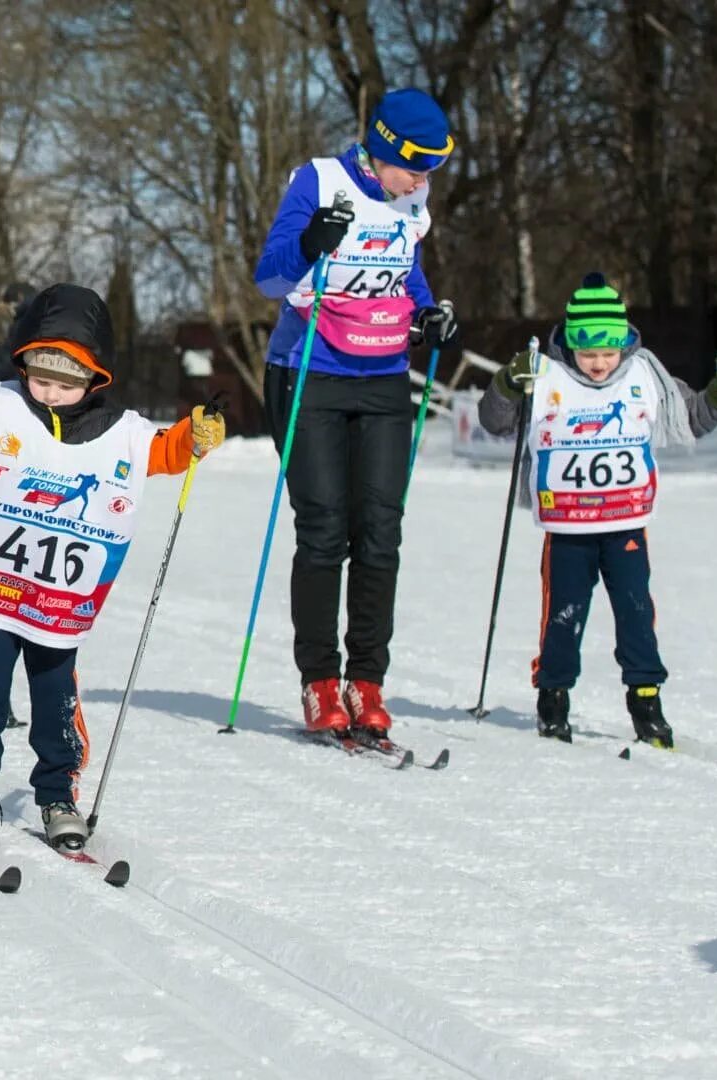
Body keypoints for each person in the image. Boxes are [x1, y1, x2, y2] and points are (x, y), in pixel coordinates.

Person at [0, 284, 226, 850]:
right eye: (42, 378)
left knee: (56, 695)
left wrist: (195, 434)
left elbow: (165, 452)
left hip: (59, 598)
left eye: (66, 383)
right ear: (25, 364)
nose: (51, 393)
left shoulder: (122, 432)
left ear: (95, 379)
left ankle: (58, 790)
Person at [251, 86, 462, 739]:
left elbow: (405, 272)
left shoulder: (410, 201)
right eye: (415, 166)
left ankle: (366, 681)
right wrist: (311, 242)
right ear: (381, 149)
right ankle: (320, 683)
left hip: (383, 376)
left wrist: (429, 313)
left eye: (431, 170)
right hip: (309, 371)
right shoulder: (318, 182)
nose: (422, 180)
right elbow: (271, 279)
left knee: (380, 532)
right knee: (323, 529)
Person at [475, 272, 717, 747]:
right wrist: (506, 382)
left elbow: (692, 417)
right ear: (571, 344)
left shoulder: (645, 373)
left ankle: (646, 699)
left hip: (625, 525)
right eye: (589, 354)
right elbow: (495, 422)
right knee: (563, 616)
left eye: (609, 353)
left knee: (636, 613)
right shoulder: (545, 374)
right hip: (566, 529)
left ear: (624, 342)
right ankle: (554, 696)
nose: (600, 364)